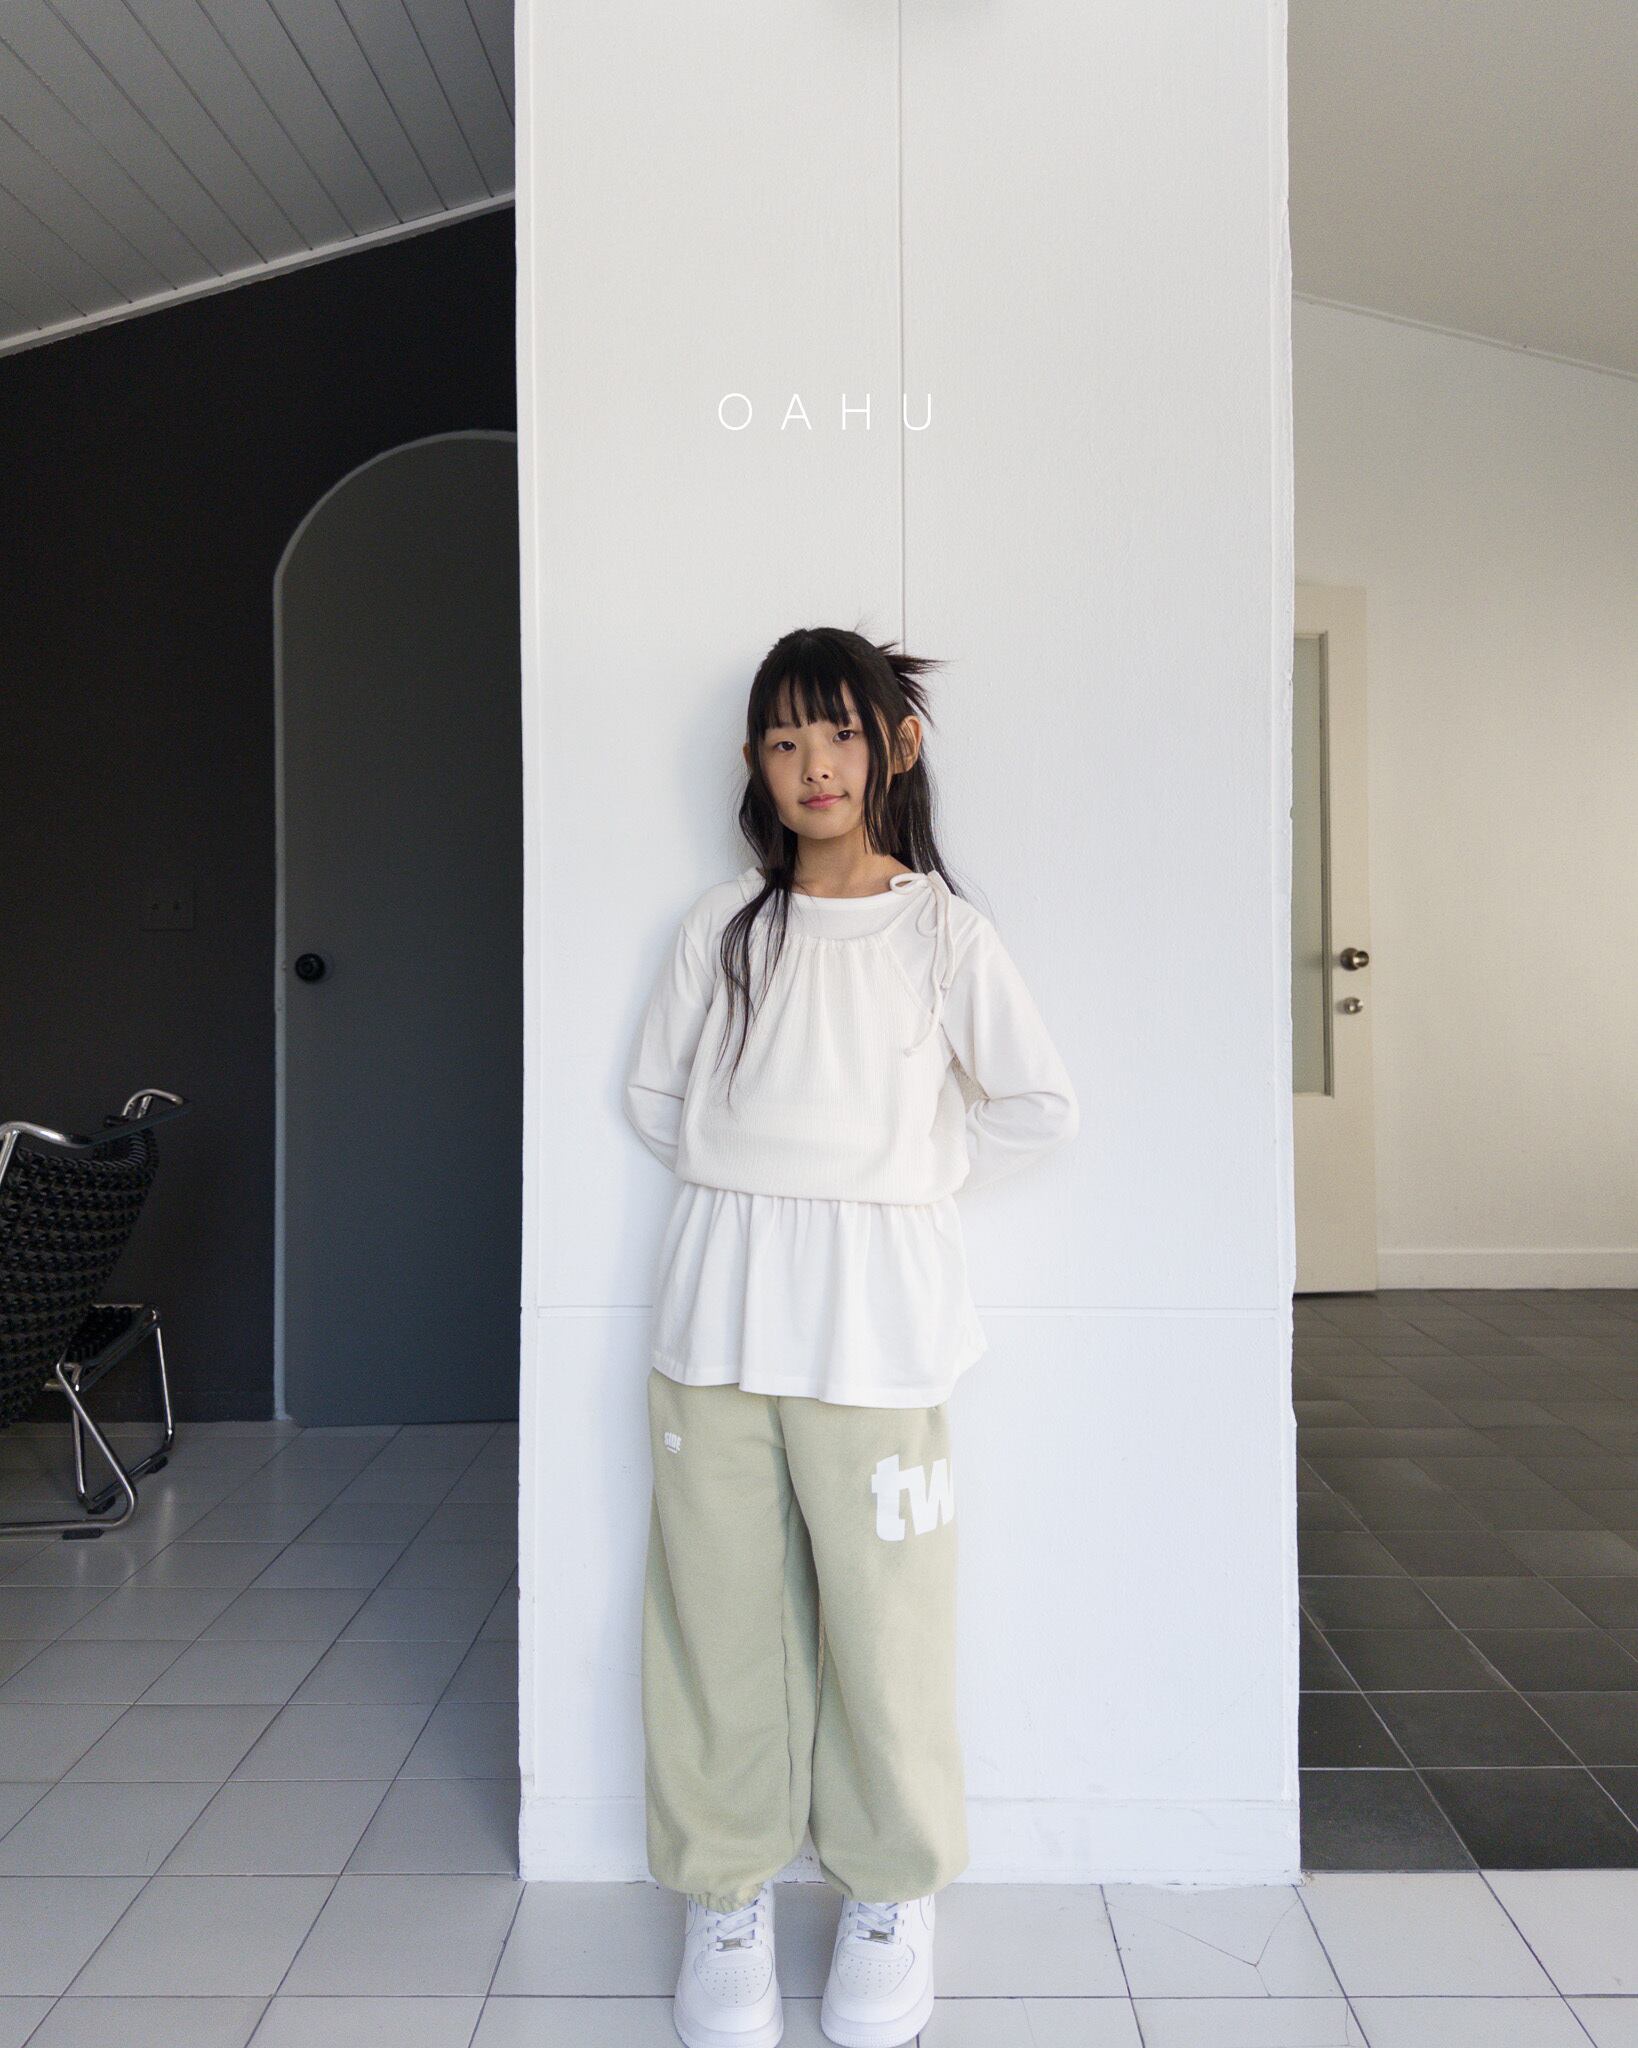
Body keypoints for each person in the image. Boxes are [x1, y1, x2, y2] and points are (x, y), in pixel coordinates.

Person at [623, 625, 1079, 2048]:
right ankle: (727, 1893)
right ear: (754, 763)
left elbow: (1036, 1107)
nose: (813, 765)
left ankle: (889, 1891)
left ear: (897, 744)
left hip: (879, 1325)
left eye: (839, 733)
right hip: (716, 1314)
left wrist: (899, 1177)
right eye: (784, 739)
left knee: (886, 1623)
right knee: (716, 1617)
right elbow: (656, 1097)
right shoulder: (725, 924)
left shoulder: (944, 933)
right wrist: (764, 1190)